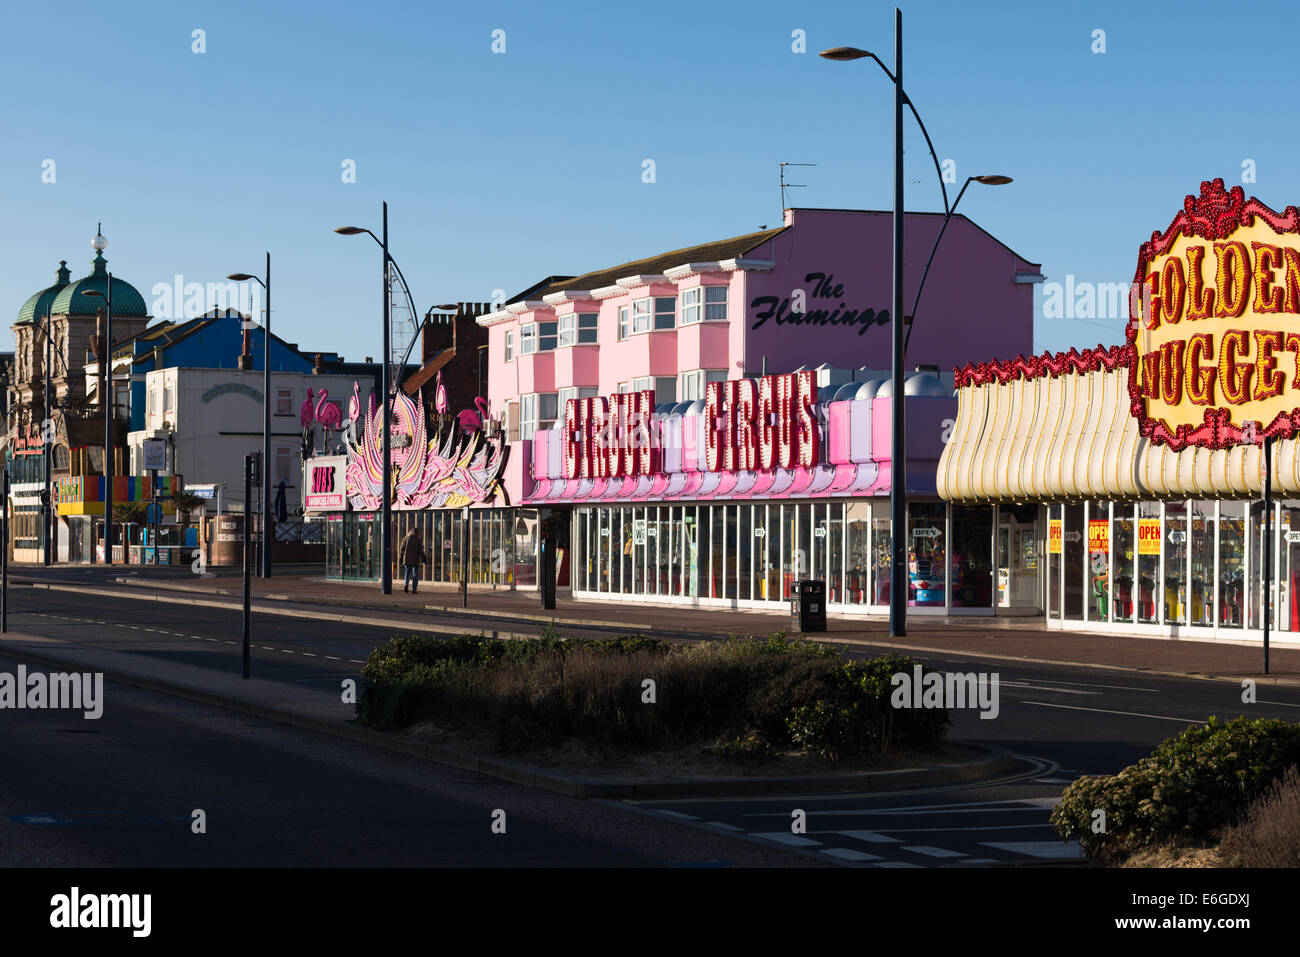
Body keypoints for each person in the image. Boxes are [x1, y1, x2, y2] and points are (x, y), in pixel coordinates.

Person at [398, 526, 428, 593]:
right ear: (417, 533)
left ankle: (406, 585)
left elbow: (401, 549)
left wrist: (401, 558)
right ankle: (414, 589)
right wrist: (424, 559)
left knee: (407, 573)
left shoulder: (406, 538)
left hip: (407, 559)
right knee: (415, 574)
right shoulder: (418, 539)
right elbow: (421, 551)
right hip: (415, 559)